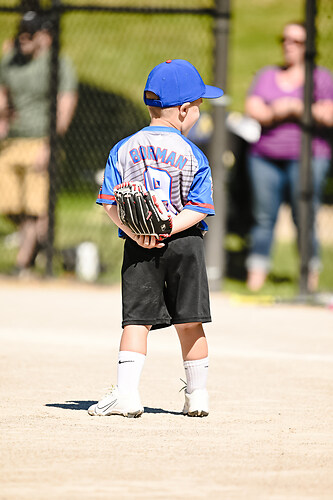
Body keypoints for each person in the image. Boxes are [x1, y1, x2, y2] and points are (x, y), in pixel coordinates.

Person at [88, 59, 223, 418]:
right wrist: (168, 227)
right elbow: (199, 207)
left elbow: (109, 202)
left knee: (136, 320)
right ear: (182, 110)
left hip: (139, 244)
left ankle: (127, 394)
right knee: (190, 321)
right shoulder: (194, 155)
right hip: (186, 241)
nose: (197, 113)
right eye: (197, 106)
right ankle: (197, 396)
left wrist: (138, 231)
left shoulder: (122, 148)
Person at [244, 21, 333, 292]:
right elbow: (253, 107)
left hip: (309, 158)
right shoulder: (268, 75)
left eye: (296, 41)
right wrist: (275, 112)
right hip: (265, 156)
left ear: (309, 47)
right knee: (263, 217)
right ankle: (255, 279)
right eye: (284, 39)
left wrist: (296, 107)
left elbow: (328, 115)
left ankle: (309, 278)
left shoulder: (321, 78)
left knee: (304, 216)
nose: (288, 45)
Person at [0, 10, 78, 277]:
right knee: (8, 204)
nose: (23, 39)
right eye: (21, 33)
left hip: (41, 142)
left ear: (44, 37)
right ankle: (48, 252)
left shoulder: (57, 63)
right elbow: (3, 96)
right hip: (11, 142)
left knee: (35, 210)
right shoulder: (10, 60)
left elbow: (65, 106)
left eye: (30, 34)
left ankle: (23, 264)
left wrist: (50, 145)